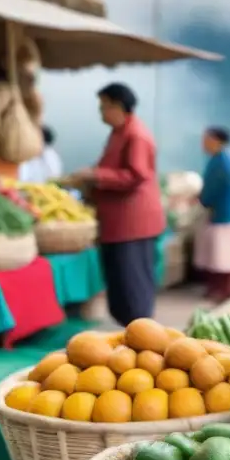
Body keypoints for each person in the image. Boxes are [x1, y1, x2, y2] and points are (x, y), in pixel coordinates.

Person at [64, 83, 165, 326]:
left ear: (118, 106)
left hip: (132, 223)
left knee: (132, 283)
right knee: (120, 282)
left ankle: (141, 334)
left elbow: (135, 175)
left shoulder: (136, 135)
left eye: (104, 107)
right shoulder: (119, 132)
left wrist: (94, 175)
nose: (101, 113)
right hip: (117, 222)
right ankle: (128, 330)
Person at [194, 126, 230, 302]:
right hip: (227, 212)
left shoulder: (221, 161)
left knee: (224, 255)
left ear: (215, 140)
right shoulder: (226, 158)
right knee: (222, 254)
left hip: (225, 214)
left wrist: (202, 200)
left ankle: (226, 290)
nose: (202, 143)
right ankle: (221, 289)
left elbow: (213, 188)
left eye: (205, 139)